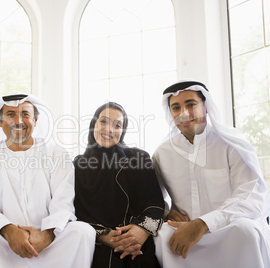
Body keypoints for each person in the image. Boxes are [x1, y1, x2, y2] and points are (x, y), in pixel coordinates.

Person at [0, 93, 95, 268]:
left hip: (49, 243)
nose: (18, 120)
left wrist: (46, 236)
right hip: (3, 243)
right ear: (0, 122)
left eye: (25, 114)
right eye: (10, 115)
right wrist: (10, 232)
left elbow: (63, 203)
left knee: (83, 231)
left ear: (35, 120)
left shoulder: (57, 154)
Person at [152, 79, 270, 268]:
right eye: (176, 108)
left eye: (191, 105)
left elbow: (252, 197)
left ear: (205, 106)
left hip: (228, 228)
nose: (184, 114)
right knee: (161, 235)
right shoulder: (162, 153)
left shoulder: (230, 144)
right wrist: (167, 213)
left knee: (245, 230)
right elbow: (153, 198)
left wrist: (203, 224)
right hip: (183, 231)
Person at [74, 102, 165, 268]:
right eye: (103, 121)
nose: (109, 129)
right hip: (94, 245)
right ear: (93, 123)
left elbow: (156, 205)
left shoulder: (138, 158)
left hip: (137, 245)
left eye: (117, 125)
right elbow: (75, 213)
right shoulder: (77, 165)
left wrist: (142, 231)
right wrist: (104, 237)